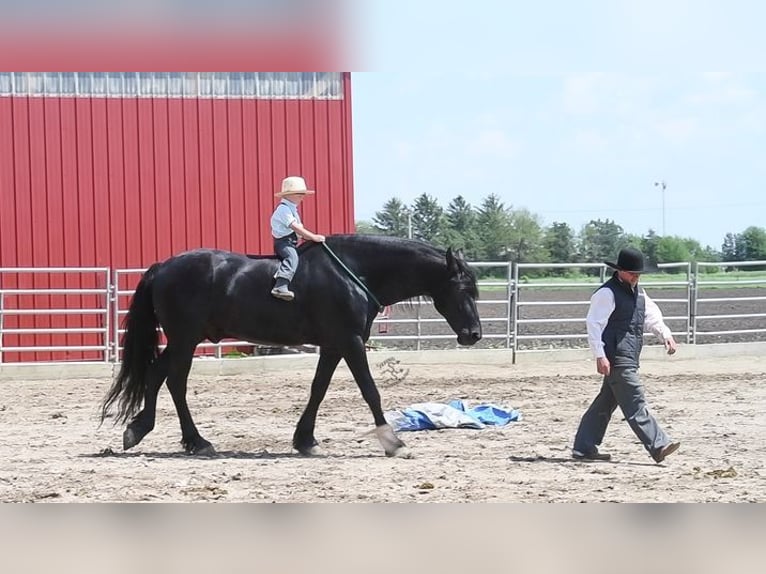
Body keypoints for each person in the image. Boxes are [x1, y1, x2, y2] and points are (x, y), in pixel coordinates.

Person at [572, 246, 681, 464]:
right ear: (620, 271)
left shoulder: (639, 292)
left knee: (605, 402)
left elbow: (651, 315)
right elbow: (594, 325)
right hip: (617, 356)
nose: (636, 277)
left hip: (629, 354)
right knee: (634, 399)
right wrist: (599, 355)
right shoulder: (607, 293)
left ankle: (583, 447)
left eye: (638, 274)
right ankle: (659, 444)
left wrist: (665, 334)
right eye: (632, 273)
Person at [270, 175, 325, 301]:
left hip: (292, 242)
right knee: (291, 257)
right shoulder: (283, 210)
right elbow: (296, 228)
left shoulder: (291, 209)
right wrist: (313, 237)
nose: (302, 197)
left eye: (303, 194)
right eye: (299, 194)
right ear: (288, 195)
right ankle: (281, 284)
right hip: (284, 243)